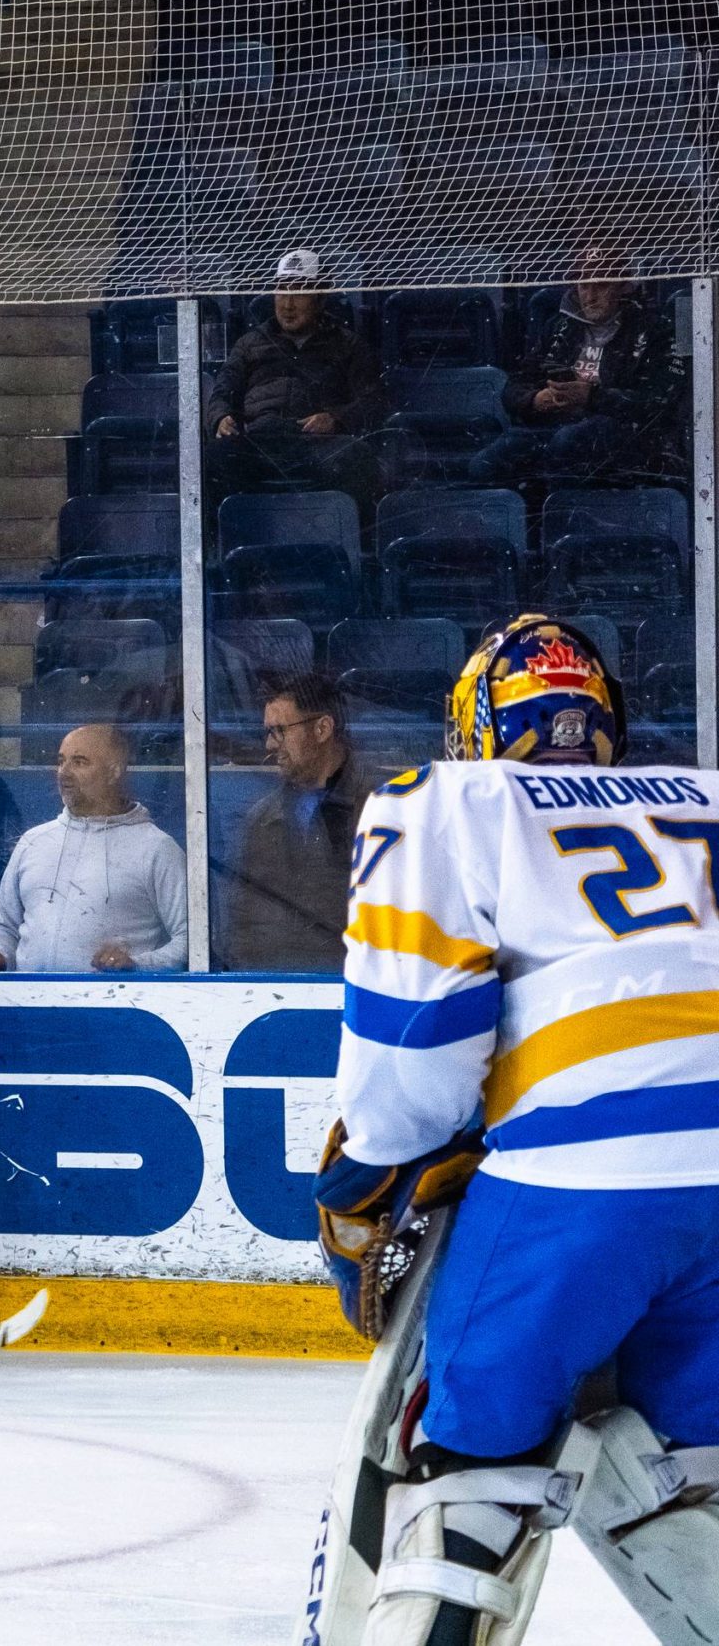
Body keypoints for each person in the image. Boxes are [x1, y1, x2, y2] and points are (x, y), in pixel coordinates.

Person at [311, 615, 719, 1644]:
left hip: (579, 1186)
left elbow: (415, 1041)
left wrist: (366, 1162)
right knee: (700, 1480)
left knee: (467, 1477)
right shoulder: (710, 795)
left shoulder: (447, 798)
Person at [0, 723, 187, 972]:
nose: (64, 772)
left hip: (116, 1007)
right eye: (61, 761)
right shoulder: (33, 841)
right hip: (27, 1005)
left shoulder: (157, 849)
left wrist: (137, 965)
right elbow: (4, 927)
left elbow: (189, 941)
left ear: (114, 772)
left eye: (79, 762)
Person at [470, 244, 683, 490]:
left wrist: (591, 397)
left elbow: (660, 402)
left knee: (566, 444)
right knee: (484, 465)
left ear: (624, 286)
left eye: (601, 285)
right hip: (557, 427)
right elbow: (516, 383)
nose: (590, 296)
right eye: (584, 285)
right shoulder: (560, 326)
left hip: (623, 436)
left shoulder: (655, 329)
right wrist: (535, 399)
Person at [207, 247, 388, 511]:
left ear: (320, 297)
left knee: (353, 457)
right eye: (282, 291)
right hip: (260, 440)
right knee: (212, 458)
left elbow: (373, 401)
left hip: (318, 444)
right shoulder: (249, 343)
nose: (287, 304)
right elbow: (222, 391)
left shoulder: (349, 345)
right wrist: (220, 417)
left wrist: (336, 418)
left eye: (299, 292)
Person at [225, 672, 375, 972]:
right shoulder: (262, 819)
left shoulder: (383, 807)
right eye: (268, 732)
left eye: (280, 730)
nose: (270, 744)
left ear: (322, 728)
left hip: (359, 991)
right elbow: (242, 925)